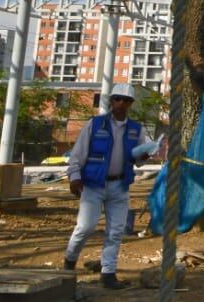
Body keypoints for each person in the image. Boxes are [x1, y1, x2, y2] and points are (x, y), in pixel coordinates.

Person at [63, 85, 160, 289]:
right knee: (85, 227)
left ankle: (108, 272)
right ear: (111, 101)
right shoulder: (95, 125)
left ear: (131, 104)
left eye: (126, 100)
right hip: (93, 185)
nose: (121, 104)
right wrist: (74, 176)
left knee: (115, 231)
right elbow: (78, 154)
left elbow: (140, 159)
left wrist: (145, 155)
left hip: (120, 185)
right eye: (118, 99)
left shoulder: (137, 129)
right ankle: (69, 261)